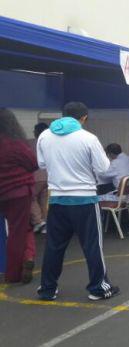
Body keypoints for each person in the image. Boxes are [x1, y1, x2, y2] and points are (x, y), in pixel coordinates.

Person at [37, 102, 119, 301]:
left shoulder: (44, 136)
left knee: (54, 246)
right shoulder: (88, 138)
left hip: (56, 199)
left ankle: (48, 289)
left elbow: (41, 164)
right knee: (92, 245)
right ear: (83, 118)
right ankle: (98, 287)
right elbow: (102, 169)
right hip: (84, 200)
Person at [0, 109, 37, 284]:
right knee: (19, 231)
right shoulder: (16, 144)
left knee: (23, 228)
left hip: (3, 193)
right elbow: (32, 163)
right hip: (19, 192)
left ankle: (28, 257)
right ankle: (14, 273)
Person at [30, 122, 49, 234]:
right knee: (43, 201)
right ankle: (46, 224)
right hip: (48, 177)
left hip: (36, 176)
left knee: (31, 198)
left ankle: (38, 222)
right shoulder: (50, 143)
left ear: (37, 132)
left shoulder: (32, 143)